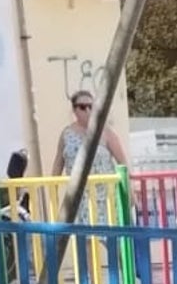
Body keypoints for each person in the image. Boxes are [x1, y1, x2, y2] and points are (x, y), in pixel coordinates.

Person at [50, 90, 128, 223]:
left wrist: (129, 191)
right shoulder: (66, 134)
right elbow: (58, 162)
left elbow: (122, 162)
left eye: (91, 107)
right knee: (85, 239)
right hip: (79, 198)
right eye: (82, 107)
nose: (87, 111)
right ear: (74, 110)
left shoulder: (105, 132)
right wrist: (53, 190)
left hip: (105, 196)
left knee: (110, 237)